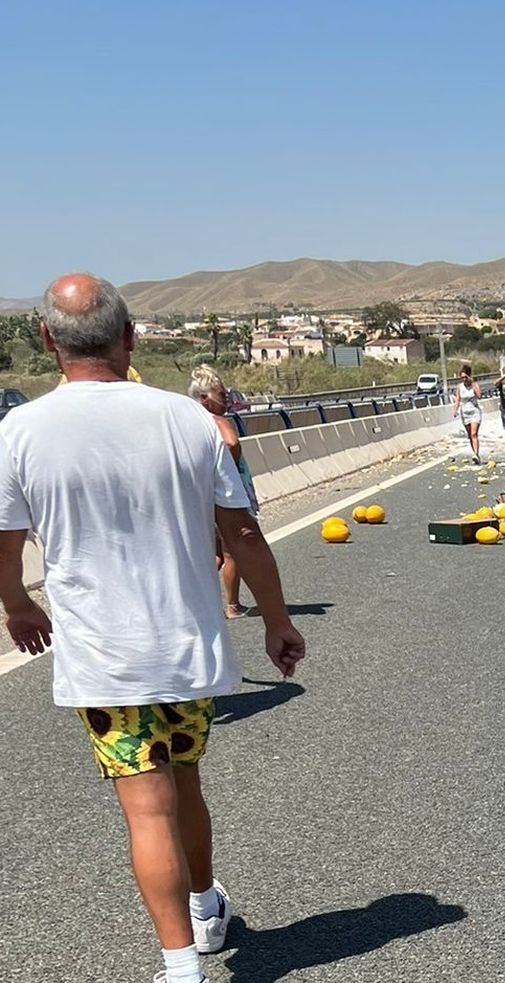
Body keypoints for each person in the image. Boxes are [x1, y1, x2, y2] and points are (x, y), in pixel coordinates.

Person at [0, 274, 305, 983]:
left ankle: (181, 967)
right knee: (185, 782)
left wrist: (16, 605)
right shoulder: (188, 418)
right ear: (129, 336)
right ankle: (204, 909)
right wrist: (278, 620)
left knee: (146, 804)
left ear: (48, 342)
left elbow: (4, 543)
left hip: (103, 658)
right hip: (185, 645)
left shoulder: (18, 431)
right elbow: (244, 534)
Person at [189, 365, 260, 619]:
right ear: (204, 398)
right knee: (233, 552)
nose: (226, 399)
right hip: (225, 496)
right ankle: (232, 605)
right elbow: (232, 443)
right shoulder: (217, 421)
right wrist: (226, 469)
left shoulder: (189, 423)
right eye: (220, 394)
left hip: (203, 495)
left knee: (215, 555)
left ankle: (198, 603)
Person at [453, 363, 483, 464]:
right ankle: (475, 453)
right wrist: (455, 410)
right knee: (470, 435)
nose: (464, 380)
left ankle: (476, 454)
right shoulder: (459, 387)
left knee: (474, 434)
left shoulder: (474, 385)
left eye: (465, 377)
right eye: (462, 378)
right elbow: (458, 399)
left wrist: (473, 384)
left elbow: (479, 396)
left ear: (469, 376)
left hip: (475, 411)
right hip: (464, 413)